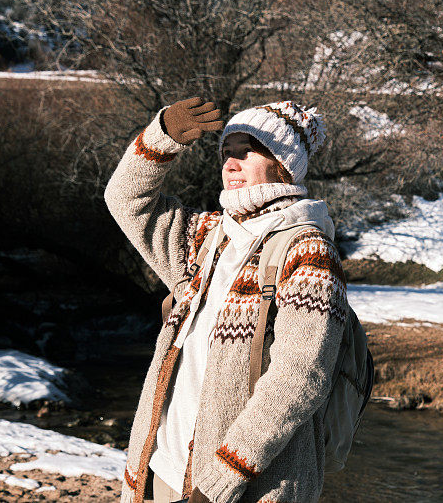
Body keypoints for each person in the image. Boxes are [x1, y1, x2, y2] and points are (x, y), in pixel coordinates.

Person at [105, 97, 348, 503]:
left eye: (247, 151)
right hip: (160, 469)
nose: (231, 164)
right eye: (226, 153)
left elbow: (300, 379)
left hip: (240, 489)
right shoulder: (207, 238)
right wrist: (160, 137)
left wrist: (221, 480)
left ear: (284, 164)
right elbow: (125, 201)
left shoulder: (309, 251)